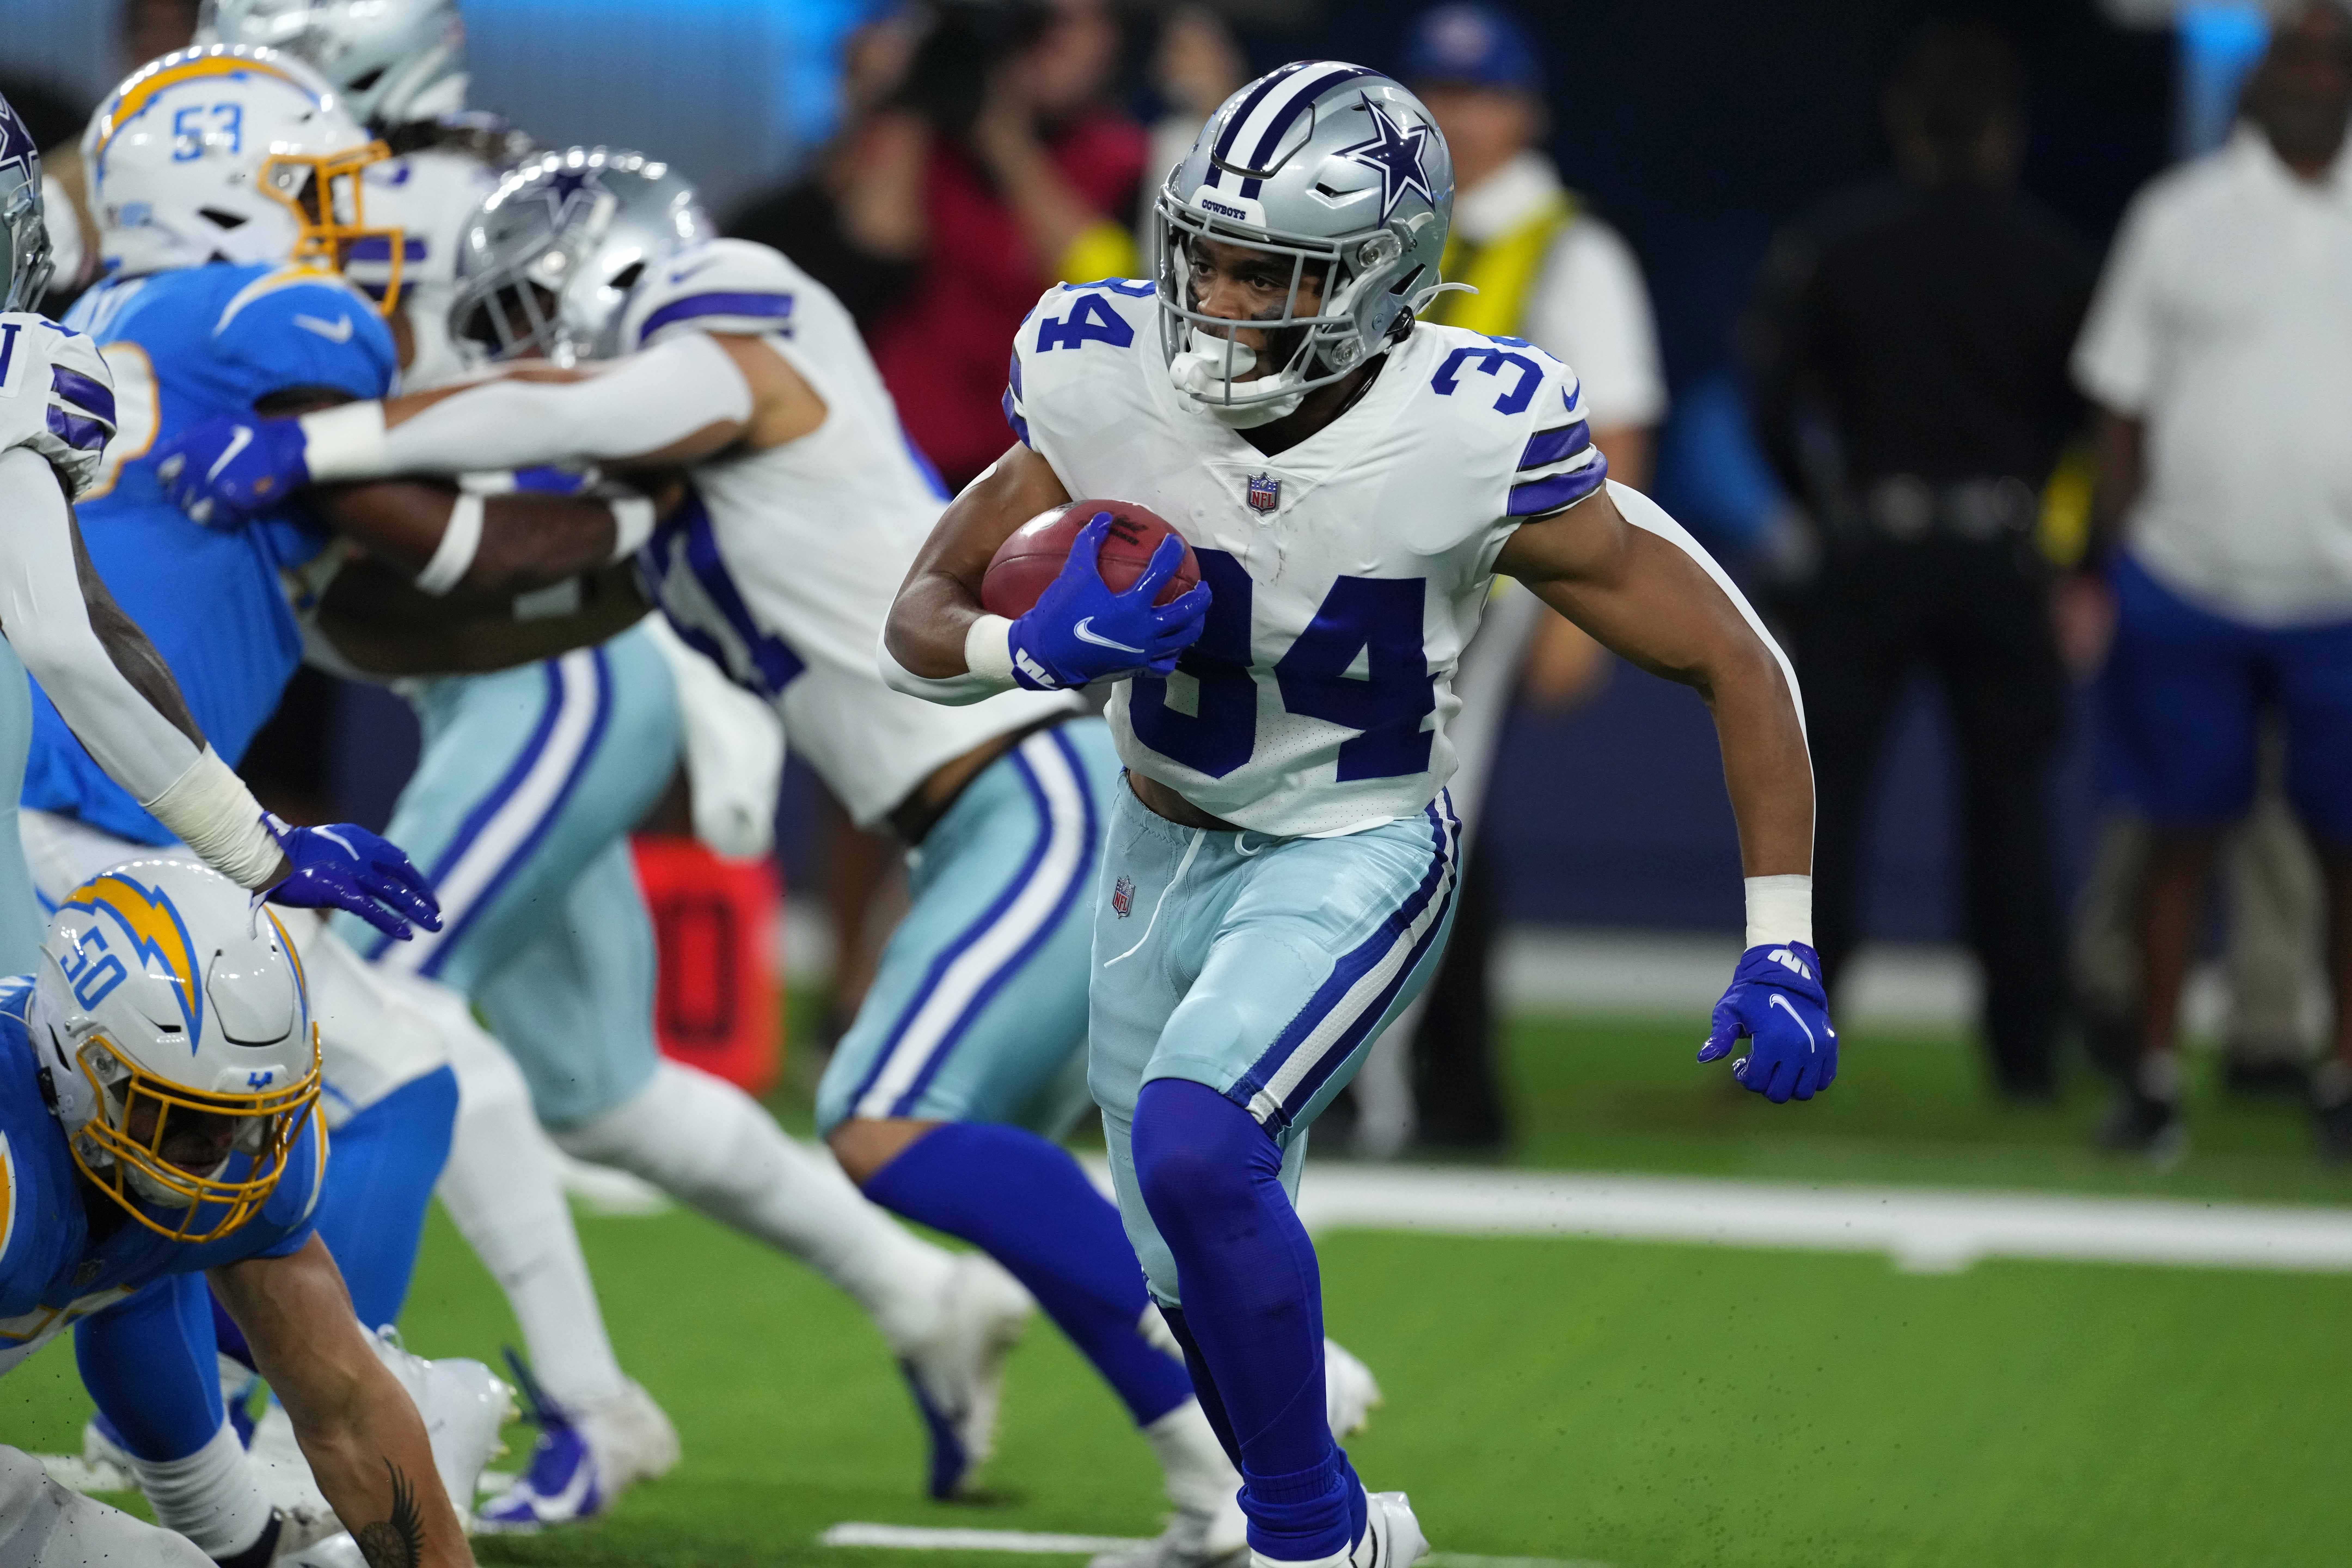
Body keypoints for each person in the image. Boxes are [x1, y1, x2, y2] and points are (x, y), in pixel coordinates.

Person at [152, 148, 1386, 1566]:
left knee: (883, 1118)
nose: (526, 368)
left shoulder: (738, 310)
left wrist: (327, 441)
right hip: (975, 814)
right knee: (985, 1160)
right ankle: (1214, 1484)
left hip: (1025, 786)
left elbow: (605, 396)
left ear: (596, 276)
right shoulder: (666, 473)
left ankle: (1283, 1369)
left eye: (528, 326)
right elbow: (500, 572)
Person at [878, 59, 1831, 1568]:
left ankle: (1312, 1543)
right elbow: (918, 612)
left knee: (1202, 1153)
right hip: (1153, 843)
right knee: (1180, 1264)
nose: (1219, 298)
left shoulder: (1473, 425)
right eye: (1203, 254)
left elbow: (1737, 655)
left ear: (1383, 280)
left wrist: (1779, 935)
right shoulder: (1097, 368)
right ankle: (1352, 1530)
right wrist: (1021, 650)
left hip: (1354, 841)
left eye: (1270, 271)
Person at [189, 0, 804, 1526]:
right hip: (480, 669)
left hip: (540, 660)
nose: (229, 120)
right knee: (597, 1083)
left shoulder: (421, 205)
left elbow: (527, 439)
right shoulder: (420, 188)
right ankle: (919, 1300)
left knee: (382, 1015)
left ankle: (469, 1406)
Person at [1744, 21, 2092, 1099]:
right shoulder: (2054, 255)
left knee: (1822, 811)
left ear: (1903, 124)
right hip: (1999, 556)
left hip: (1872, 554)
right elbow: (2089, 417)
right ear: (2004, 134)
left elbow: (1769, 403)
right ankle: (2026, 1062)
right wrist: (2057, 539)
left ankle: (1797, 1042)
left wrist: (1824, 507)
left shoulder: (1840, 243)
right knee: (2010, 816)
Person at [1348, 1, 1664, 1154]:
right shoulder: (1379, 225)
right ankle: (1442, 1088)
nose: (1460, 118)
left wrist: (1595, 614)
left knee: (1415, 822)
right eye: (1438, 92)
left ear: (1525, 110)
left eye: (1481, 95)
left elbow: (1617, 431)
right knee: (1393, 821)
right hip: (1370, 578)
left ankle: (1383, 1094)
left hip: (1492, 590)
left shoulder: (1569, 245)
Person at [0, 861, 474, 1568]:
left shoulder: (246, 1149)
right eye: (182, 1115)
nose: (219, 1152)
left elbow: (344, 1414)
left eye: (246, 1118)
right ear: (78, 1067)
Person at [2070, 0, 2352, 1159]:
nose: (2312, 77)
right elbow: (2120, 404)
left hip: (2342, 595)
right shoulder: (2177, 219)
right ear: (2255, 75)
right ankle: (2152, 1081)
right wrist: (2108, 563)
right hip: (2185, 580)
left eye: (2334, 58)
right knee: (2176, 838)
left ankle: (2340, 1083)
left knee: (2346, 853)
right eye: (2293, 55)